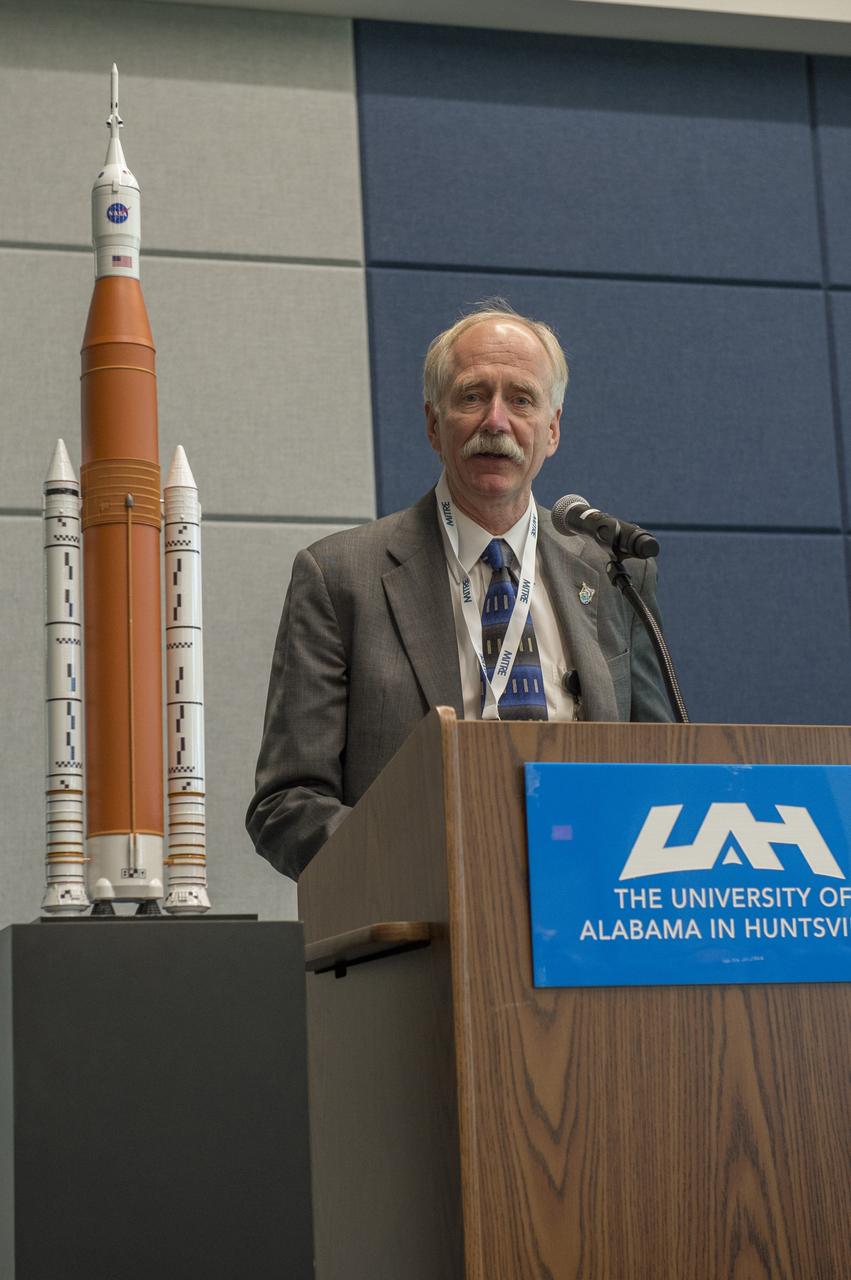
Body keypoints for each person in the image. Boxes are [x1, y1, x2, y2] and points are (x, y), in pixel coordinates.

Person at [247, 302, 671, 880]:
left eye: (521, 399)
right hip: (424, 924)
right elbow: (286, 805)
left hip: (593, 910)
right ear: (432, 424)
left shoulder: (615, 571)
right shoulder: (340, 577)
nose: (496, 421)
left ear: (552, 430)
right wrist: (430, 865)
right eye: (473, 396)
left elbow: (669, 773)